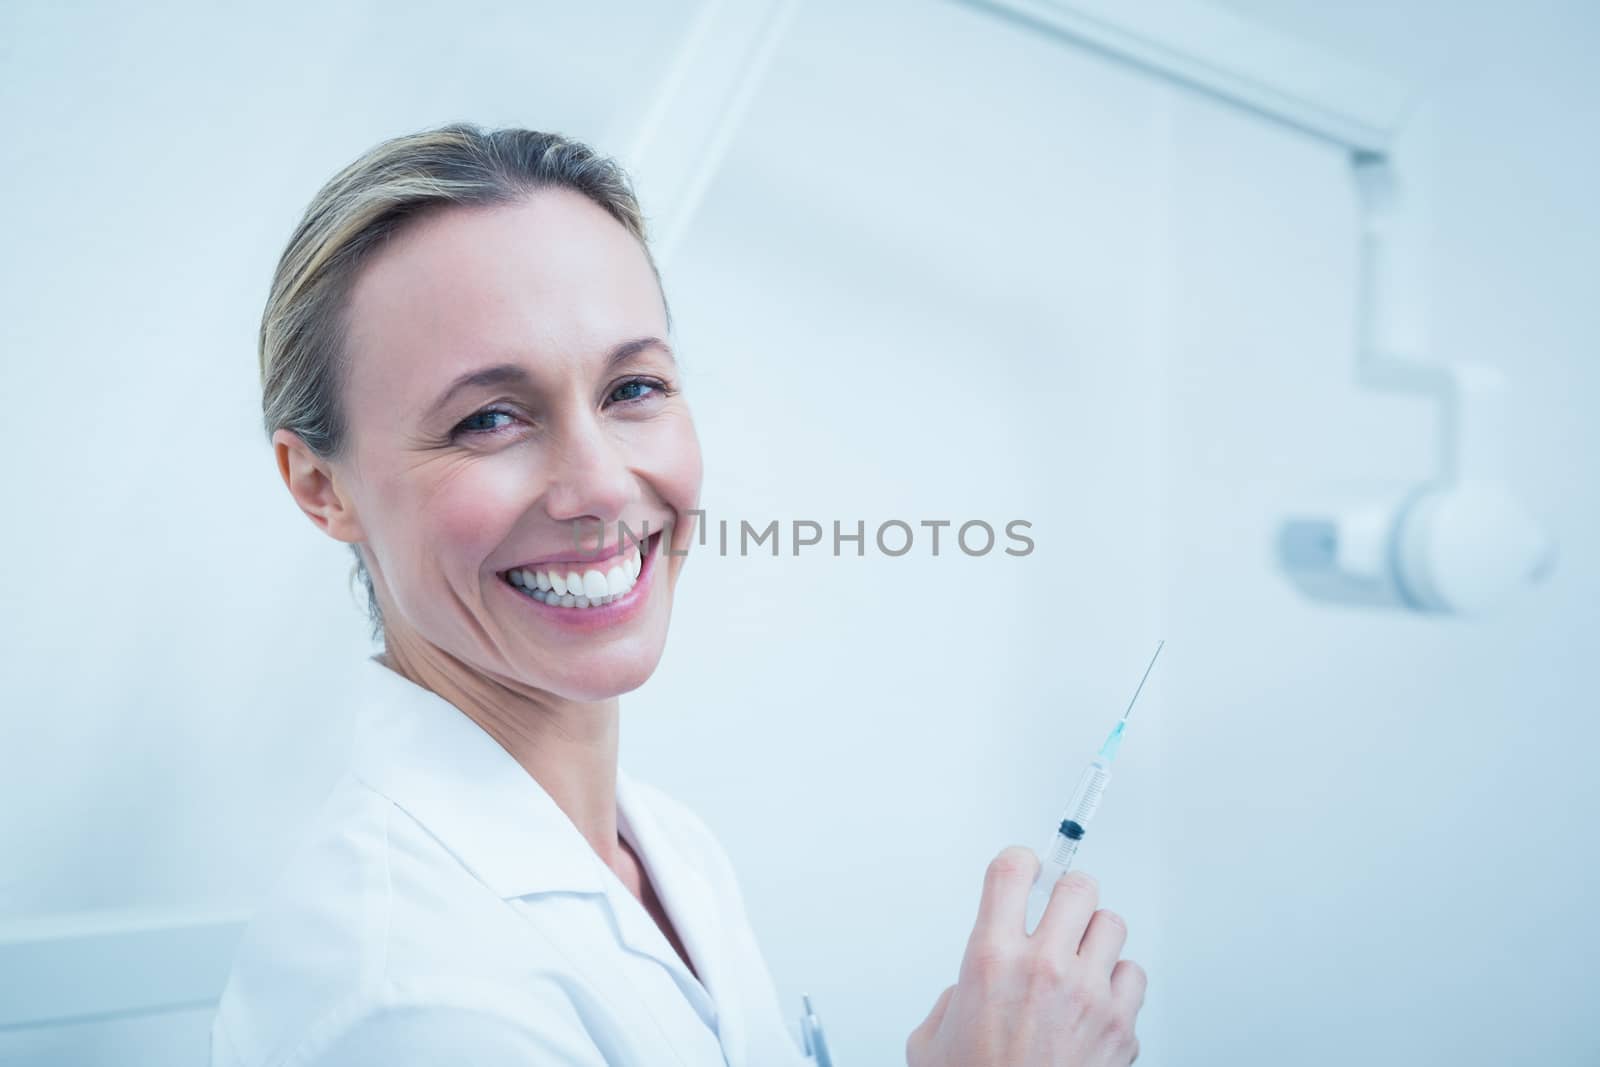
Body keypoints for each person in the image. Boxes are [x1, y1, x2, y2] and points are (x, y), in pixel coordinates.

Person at [210, 121, 1146, 1067]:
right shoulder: (405, 994)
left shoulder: (666, 848)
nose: (605, 485)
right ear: (320, 485)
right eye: (489, 417)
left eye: (632, 389)